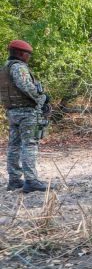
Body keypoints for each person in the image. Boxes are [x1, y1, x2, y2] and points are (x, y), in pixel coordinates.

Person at [2, 39, 50, 193]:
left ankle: (14, 180)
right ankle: (31, 180)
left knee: (14, 145)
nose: (28, 57)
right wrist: (43, 98)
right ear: (20, 54)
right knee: (29, 145)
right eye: (27, 54)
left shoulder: (4, 69)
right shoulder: (19, 68)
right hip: (26, 112)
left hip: (12, 111)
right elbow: (27, 87)